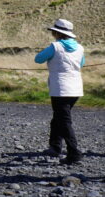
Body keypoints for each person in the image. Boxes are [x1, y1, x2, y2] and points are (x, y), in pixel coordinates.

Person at [34, 18, 85, 165]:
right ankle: (55, 147)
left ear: (57, 33)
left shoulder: (55, 46)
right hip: (76, 88)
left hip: (60, 88)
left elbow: (38, 59)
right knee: (59, 118)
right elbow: (82, 63)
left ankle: (73, 152)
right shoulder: (80, 48)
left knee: (64, 121)